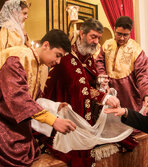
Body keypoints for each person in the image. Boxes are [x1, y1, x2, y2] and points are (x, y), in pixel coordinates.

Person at [0, 29, 76, 166]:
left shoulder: (36, 63)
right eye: (57, 55)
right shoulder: (18, 56)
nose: (58, 61)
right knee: (11, 152)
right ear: (45, 45)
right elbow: (17, 97)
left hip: (8, 115)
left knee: (27, 148)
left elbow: (33, 97)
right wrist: (53, 120)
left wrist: (56, 106)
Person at [42, 18, 121, 167]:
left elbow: (88, 83)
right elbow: (78, 88)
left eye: (98, 38)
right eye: (93, 37)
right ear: (82, 34)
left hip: (83, 109)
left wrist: (100, 85)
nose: (96, 41)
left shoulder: (89, 58)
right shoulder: (66, 57)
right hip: (64, 109)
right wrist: (103, 97)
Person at [96, 16, 148, 112]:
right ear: (114, 29)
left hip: (129, 92)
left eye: (125, 35)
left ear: (130, 33)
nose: (122, 38)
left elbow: (143, 74)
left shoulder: (136, 50)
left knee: (130, 119)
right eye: (119, 34)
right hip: (109, 89)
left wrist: (147, 94)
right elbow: (99, 62)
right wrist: (103, 79)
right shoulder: (107, 45)